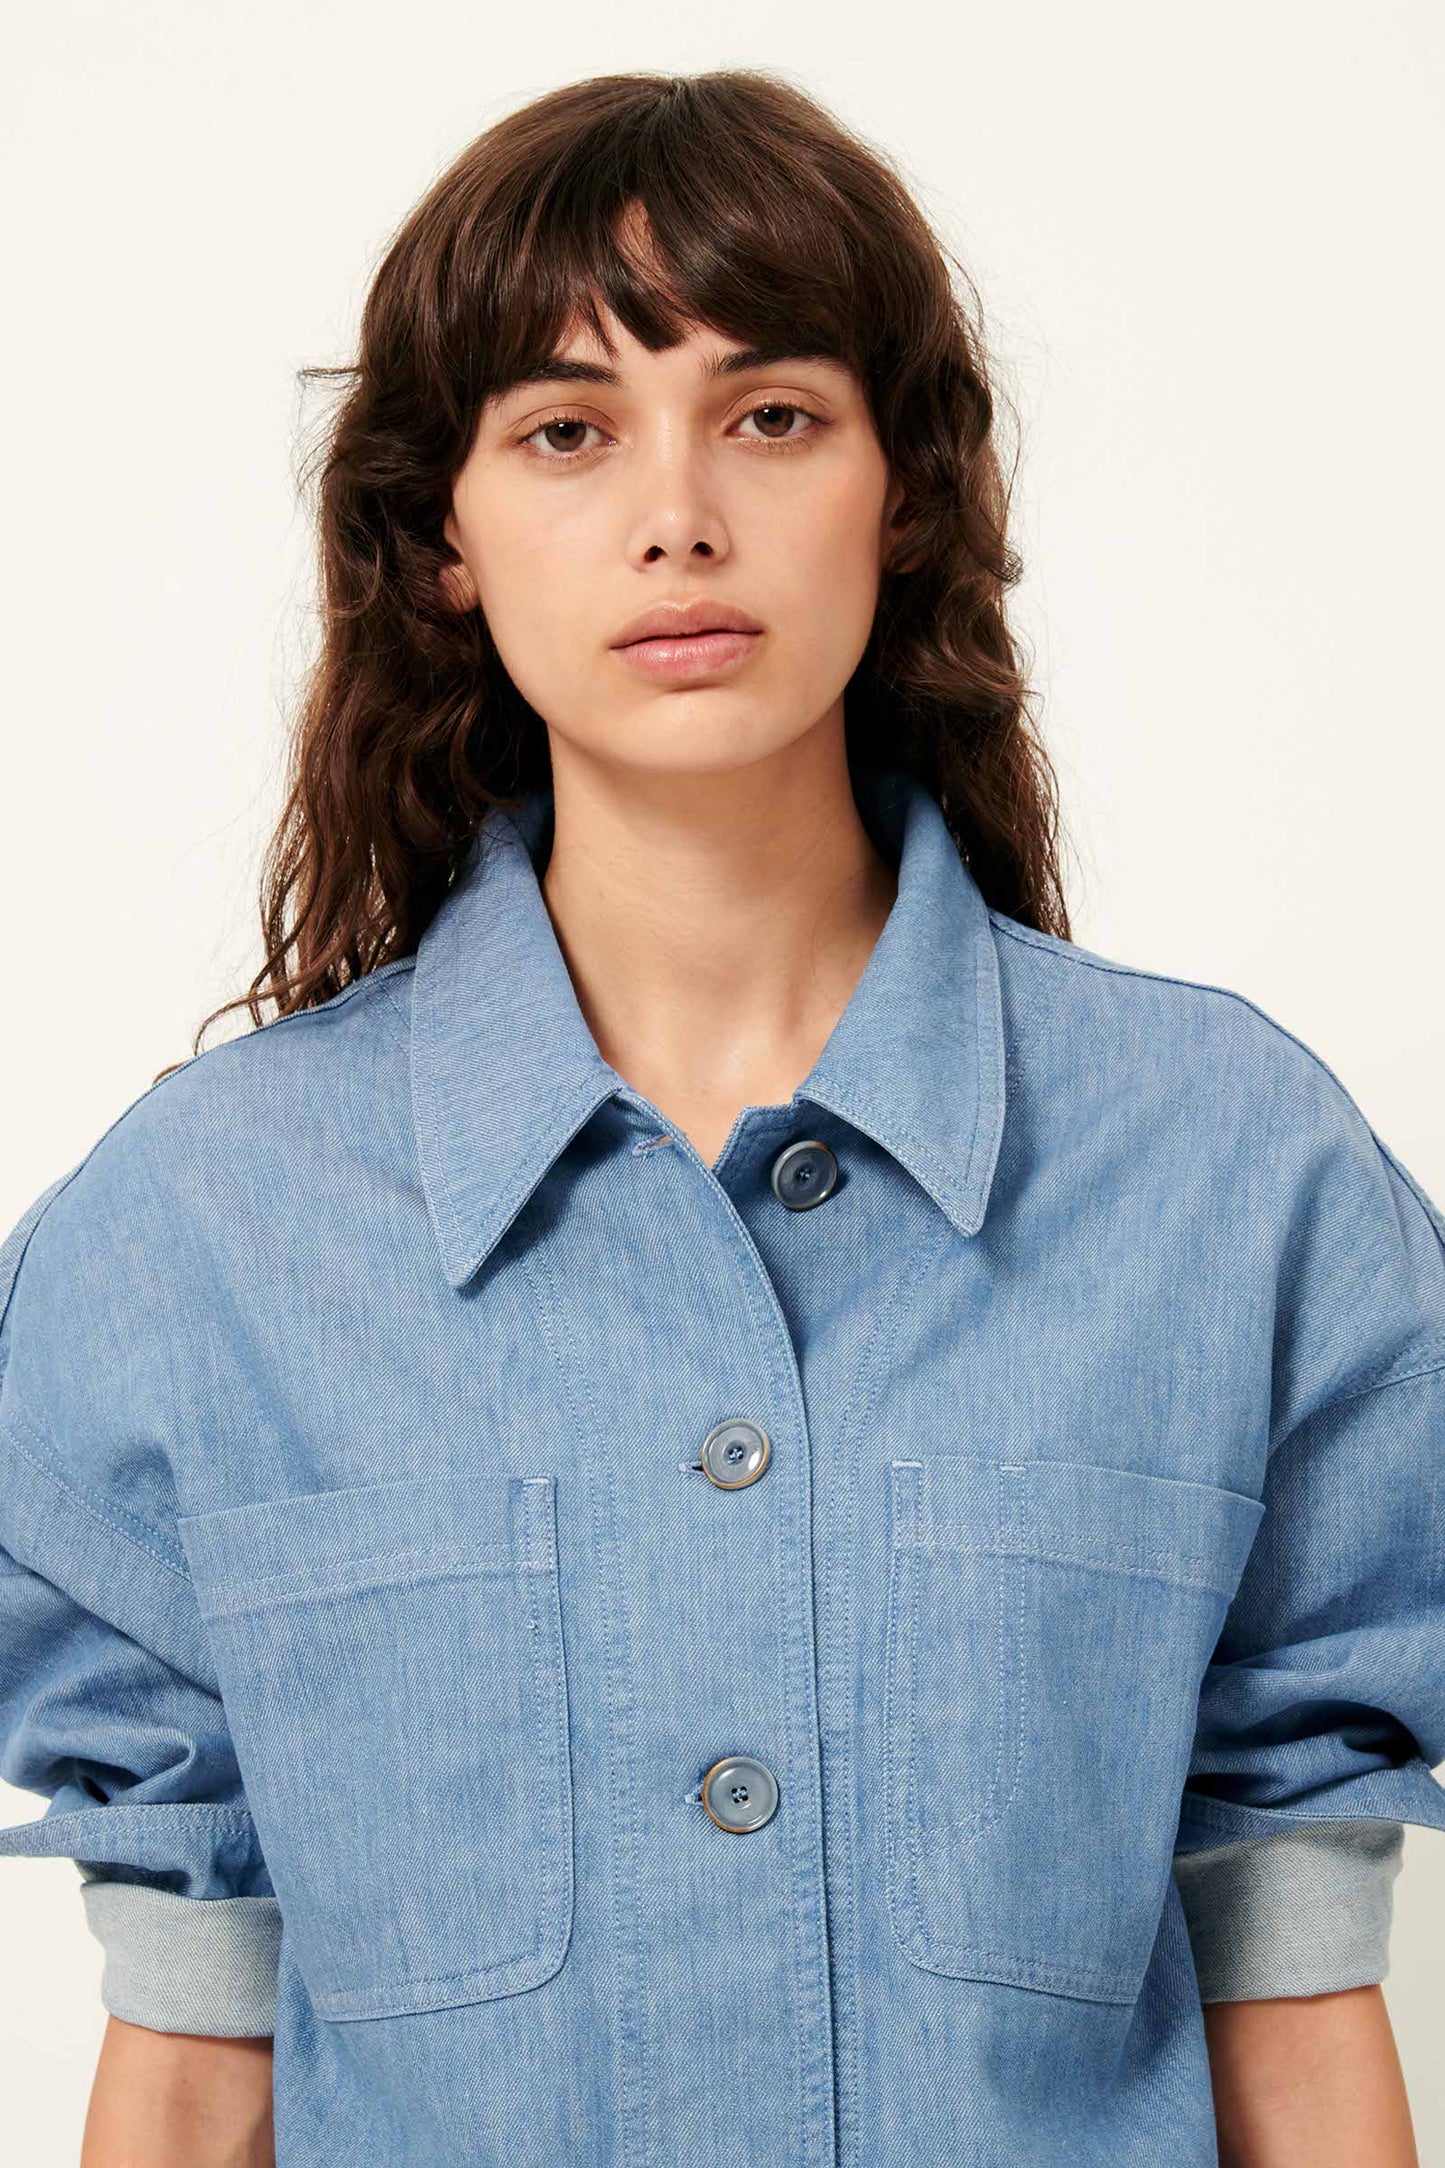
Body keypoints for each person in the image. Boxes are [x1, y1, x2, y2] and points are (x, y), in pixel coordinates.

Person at [1, 66, 1441, 2168]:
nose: (679, 512)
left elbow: (1296, 1998)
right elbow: (197, 2052)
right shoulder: (190, 1246)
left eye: (771, 414)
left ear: (908, 493)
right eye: (566, 431)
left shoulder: (1239, 1177)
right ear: (443, 547)